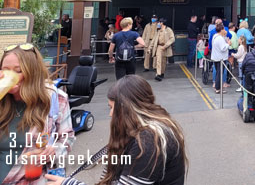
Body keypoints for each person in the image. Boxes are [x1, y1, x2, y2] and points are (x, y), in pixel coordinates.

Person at [47, 75, 186, 185]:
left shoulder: (149, 141)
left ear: (126, 109)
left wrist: (69, 183)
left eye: (112, 108)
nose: (110, 114)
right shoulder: (146, 130)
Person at [0, 43, 74, 184]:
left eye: (18, 70)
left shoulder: (54, 98)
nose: (10, 75)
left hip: (31, 180)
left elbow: (67, 137)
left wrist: (54, 151)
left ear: (32, 73)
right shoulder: (2, 100)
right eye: (5, 69)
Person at [211, 23, 230, 93]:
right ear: (221, 30)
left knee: (218, 73)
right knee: (220, 73)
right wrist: (228, 44)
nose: (225, 30)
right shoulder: (219, 38)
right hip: (221, 58)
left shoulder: (215, 36)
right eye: (224, 29)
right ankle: (218, 88)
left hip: (216, 57)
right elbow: (223, 48)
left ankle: (217, 86)